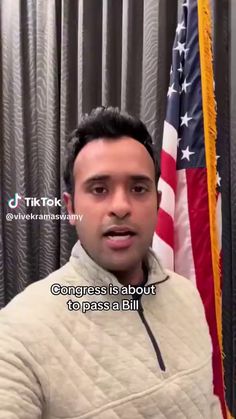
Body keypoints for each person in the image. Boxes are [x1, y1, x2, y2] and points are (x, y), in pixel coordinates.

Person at [0, 107, 222, 418]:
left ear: (158, 202)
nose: (120, 206)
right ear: (70, 207)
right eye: (99, 189)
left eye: (138, 188)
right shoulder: (16, 333)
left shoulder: (187, 295)